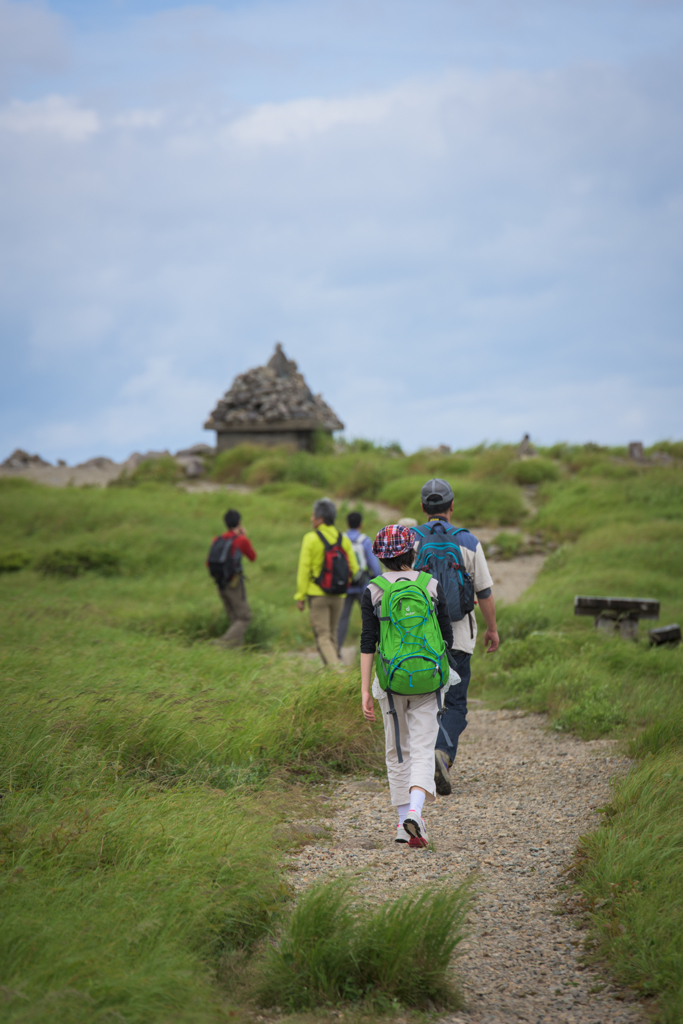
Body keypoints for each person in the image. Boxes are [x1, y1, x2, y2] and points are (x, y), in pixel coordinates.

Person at [360, 524, 456, 848]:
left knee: (397, 750)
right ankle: (415, 812)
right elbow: (446, 636)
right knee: (423, 748)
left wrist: (365, 690)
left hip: (391, 682)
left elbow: (368, 643)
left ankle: (404, 823)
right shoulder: (431, 585)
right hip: (429, 678)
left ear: (381, 558)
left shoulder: (373, 590)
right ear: (412, 552)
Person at [412, 478, 498, 796]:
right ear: (452, 506)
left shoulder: (411, 539)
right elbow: (484, 591)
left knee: (422, 701)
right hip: (459, 636)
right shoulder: (468, 541)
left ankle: (417, 768)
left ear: (423, 507)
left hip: (419, 637)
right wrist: (492, 628)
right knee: (456, 703)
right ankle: (443, 753)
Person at [295, 497, 359, 666]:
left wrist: (300, 595)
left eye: (313, 515)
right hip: (339, 595)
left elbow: (304, 569)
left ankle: (338, 673)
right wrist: (343, 583)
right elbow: (355, 568)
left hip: (317, 595)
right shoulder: (343, 539)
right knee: (332, 634)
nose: (311, 518)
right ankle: (333, 674)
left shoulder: (311, 538)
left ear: (321, 518)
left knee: (323, 636)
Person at [209, 509, 257, 648]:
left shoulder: (217, 540)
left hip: (220, 583)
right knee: (244, 617)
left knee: (235, 620)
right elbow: (252, 557)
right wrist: (245, 537)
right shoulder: (240, 540)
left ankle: (235, 655)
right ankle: (221, 645)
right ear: (239, 522)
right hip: (234, 584)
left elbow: (208, 562)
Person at [337, 511, 382, 652]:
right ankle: (377, 647)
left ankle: (336, 650)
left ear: (347, 523)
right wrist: (378, 579)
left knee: (342, 619)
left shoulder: (341, 539)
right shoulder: (365, 540)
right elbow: (374, 565)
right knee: (371, 617)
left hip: (344, 585)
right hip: (362, 585)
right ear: (361, 524)